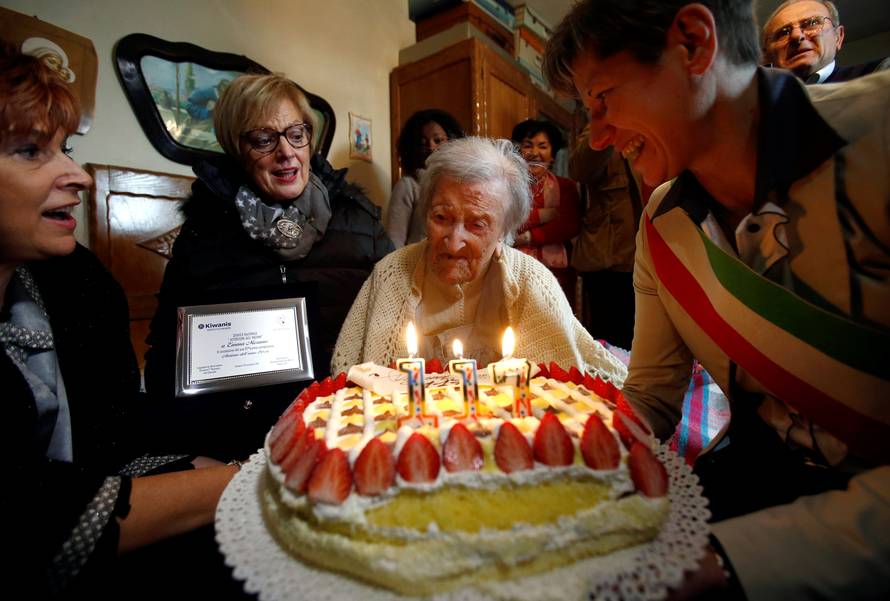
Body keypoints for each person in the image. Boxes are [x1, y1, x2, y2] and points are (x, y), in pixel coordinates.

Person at [544, 1, 890, 599]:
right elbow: (653, 394)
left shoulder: (880, 138)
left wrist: (725, 562)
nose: (597, 135)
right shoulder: (660, 226)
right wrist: (571, 456)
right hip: (757, 488)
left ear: (694, 42)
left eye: (603, 97)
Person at [0, 43, 238, 598]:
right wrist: (245, 479)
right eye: (31, 150)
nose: (77, 176)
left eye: (67, 148)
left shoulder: (76, 283)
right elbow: (28, 521)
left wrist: (204, 462)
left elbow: (116, 438)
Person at [144, 74, 393, 461]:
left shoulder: (360, 222)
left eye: (297, 133)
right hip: (241, 442)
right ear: (236, 146)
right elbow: (166, 354)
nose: (287, 152)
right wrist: (189, 448)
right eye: (264, 139)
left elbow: (397, 323)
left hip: (348, 428)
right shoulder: (203, 235)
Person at [332, 137, 627, 381]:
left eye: (477, 224)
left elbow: (562, 386)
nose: (454, 240)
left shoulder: (531, 279)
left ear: (504, 231)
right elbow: (350, 383)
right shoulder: (390, 273)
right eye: (441, 217)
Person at [569, 133, 642, 350]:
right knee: (611, 343)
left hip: (652, 255)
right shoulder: (603, 128)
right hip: (608, 259)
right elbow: (580, 170)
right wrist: (607, 129)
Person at [510, 119, 581, 309]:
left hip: (558, 275)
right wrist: (545, 215)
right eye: (527, 145)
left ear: (552, 155)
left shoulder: (566, 187)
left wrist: (526, 236)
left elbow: (568, 225)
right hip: (513, 270)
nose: (535, 153)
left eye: (542, 146)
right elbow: (507, 223)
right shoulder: (507, 186)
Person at [386, 108, 464, 248]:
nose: (431, 146)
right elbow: (394, 242)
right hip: (416, 266)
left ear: (452, 141)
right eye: (423, 143)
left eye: (438, 140)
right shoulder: (408, 186)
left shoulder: (463, 184)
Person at [762, 0, 890, 84]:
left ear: (838, 37)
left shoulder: (880, 73)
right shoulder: (755, 110)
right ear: (767, 56)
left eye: (812, 23)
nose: (796, 36)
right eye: (783, 33)